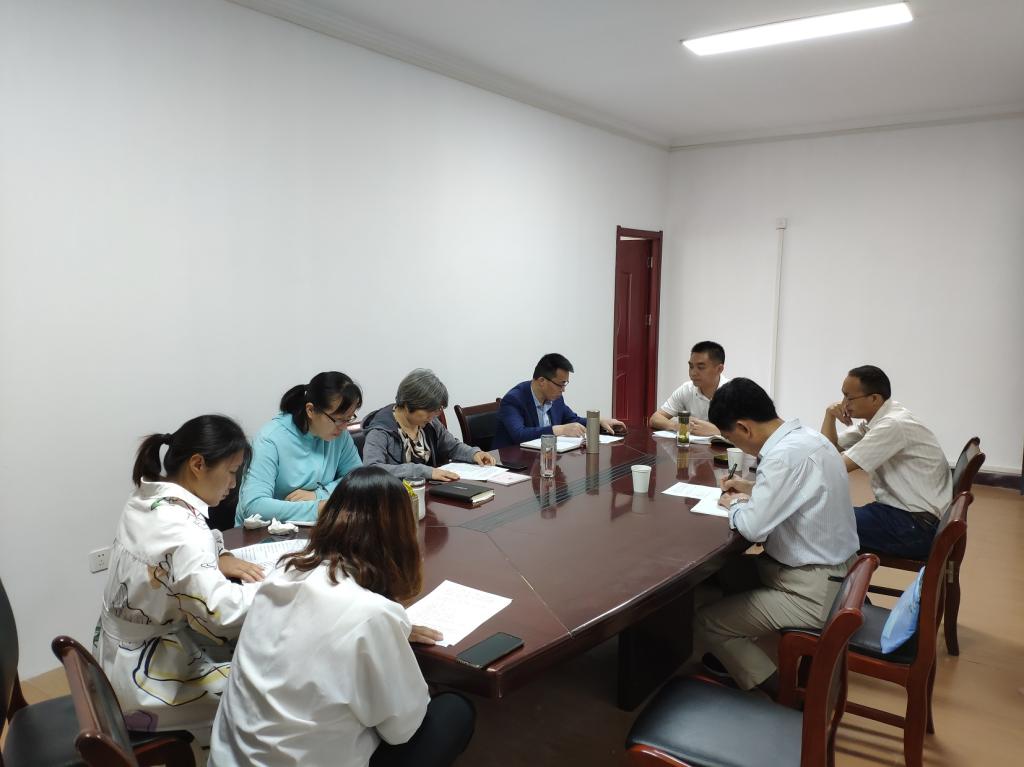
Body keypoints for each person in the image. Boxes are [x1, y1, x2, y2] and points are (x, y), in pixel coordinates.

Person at [209, 467, 476, 767]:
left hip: (230, 759)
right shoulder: (372, 615)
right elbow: (403, 729)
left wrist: (390, 630)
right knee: (454, 710)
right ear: (401, 535)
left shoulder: (282, 574)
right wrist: (389, 634)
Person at [94, 415, 264, 740]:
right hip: (141, 684)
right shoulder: (185, 532)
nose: (234, 483)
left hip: (114, 656)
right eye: (232, 472)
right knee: (264, 691)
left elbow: (177, 549)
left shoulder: (148, 497)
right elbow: (221, 613)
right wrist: (282, 588)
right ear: (198, 464)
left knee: (246, 654)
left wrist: (219, 554)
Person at [696, 378, 858, 695]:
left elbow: (753, 528)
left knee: (707, 622)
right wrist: (752, 488)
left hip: (813, 591)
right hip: (837, 574)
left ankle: (783, 693)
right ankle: (740, 648)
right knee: (728, 570)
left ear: (744, 428)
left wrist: (734, 503)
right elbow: (798, 490)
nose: (736, 446)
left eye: (730, 438)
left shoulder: (782, 456)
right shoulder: (809, 438)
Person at [821, 365, 952, 559]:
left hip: (914, 527)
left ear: (874, 398)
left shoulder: (892, 425)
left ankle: (843, 578)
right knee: (828, 519)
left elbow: (835, 467)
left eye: (849, 397)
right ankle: (847, 576)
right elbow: (827, 450)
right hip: (908, 517)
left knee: (821, 522)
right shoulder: (880, 418)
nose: (844, 403)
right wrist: (829, 415)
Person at [237, 371, 363, 524]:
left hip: (316, 526)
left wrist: (319, 495)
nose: (343, 427)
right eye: (338, 419)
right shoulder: (270, 439)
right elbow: (254, 506)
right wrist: (318, 509)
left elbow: (358, 480)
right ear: (310, 410)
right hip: (264, 531)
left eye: (348, 419)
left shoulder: (339, 434)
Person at [362, 368, 494, 481]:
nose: (432, 417)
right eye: (428, 411)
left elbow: (452, 446)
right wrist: (423, 471)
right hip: (398, 495)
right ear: (408, 404)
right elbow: (372, 469)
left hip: (432, 491)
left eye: (436, 411)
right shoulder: (380, 430)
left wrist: (474, 454)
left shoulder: (429, 423)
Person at [491, 353, 626, 449]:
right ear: (542, 381)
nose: (563, 390)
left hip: (545, 459)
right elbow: (519, 435)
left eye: (565, 384)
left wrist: (597, 422)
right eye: (560, 384)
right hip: (513, 465)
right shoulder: (514, 400)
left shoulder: (556, 398)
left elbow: (572, 420)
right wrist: (559, 429)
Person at [649, 340, 729, 436]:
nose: (693, 373)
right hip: (693, 445)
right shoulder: (686, 389)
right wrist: (677, 426)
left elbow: (745, 433)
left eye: (701, 367)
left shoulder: (735, 393)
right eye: (691, 366)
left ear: (719, 369)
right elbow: (655, 418)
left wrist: (718, 431)